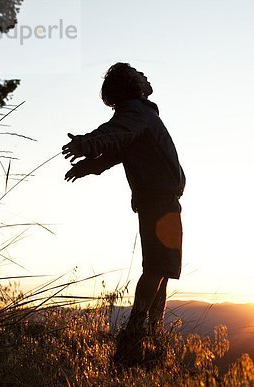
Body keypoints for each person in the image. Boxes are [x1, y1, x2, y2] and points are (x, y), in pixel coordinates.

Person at [62, 63, 185, 366]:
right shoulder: (135, 112)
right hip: (159, 202)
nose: (147, 76)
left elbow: (118, 150)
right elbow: (113, 135)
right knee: (157, 267)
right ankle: (135, 335)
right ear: (132, 84)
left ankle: (153, 336)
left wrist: (90, 165)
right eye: (140, 73)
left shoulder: (140, 114)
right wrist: (87, 145)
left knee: (163, 271)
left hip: (163, 202)